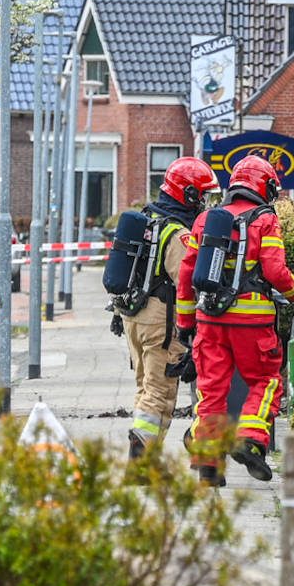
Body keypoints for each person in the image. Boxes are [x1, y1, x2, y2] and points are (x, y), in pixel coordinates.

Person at [175, 155, 294, 486]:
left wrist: (185, 323)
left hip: (210, 320)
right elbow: (276, 272)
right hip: (253, 323)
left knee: (211, 391)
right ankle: (250, 441)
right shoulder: (265, 220)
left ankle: (208, 464)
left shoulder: (207, 219)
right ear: (264, 188)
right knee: (266, 380)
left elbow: (187, 274)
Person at [117, 156, 217, 464]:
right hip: (161, 321)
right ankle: (140, 458)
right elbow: (186, 280)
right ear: (187, 194)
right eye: (200, 195)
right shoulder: (177, 233)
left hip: (133, 316)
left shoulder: (147, 220)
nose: (202, 202)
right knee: (161, 391)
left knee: (145, 388)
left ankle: (147, 460)